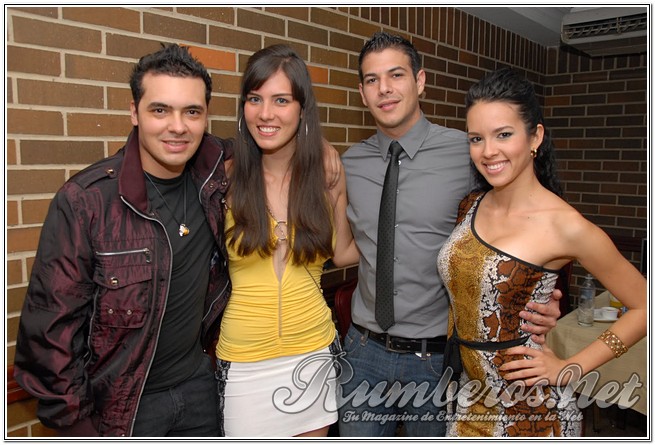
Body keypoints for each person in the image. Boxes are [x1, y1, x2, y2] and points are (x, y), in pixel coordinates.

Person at [338, 32, 563, 437]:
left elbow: (525, 220)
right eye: (372, 79)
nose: (384, 88)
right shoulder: (349, 164)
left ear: (420, 81)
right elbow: (356, 245)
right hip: (362, 353)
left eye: (396, 75)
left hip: (436, 361)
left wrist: (539, 294)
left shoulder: (471, 154)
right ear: (362, 92)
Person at [13, 44, 231, 437]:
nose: (178, 126)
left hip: (199, 388)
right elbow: (50, 334)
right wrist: (79, 428)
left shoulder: (212, 178)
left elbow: (272, 139)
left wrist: (320, 150)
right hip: (124, 410)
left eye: (192, 112)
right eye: (160, 110)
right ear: (134, 112)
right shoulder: (87, 201)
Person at [437, 67, 647, 437]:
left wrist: (570, 367)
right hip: (469, 398)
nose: (488, 151)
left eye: (504, 134)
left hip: (532, 412)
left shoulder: (566, 226)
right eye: (476, 138)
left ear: (535, 136)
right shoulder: (472, 204)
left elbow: (645, 306)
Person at [214, 44, 359, 437]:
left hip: (313, 355)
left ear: (301, 109)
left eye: (281, 100)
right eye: (255, 99)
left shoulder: (327, 176)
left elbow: (344, 251)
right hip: (244, 363)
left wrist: (402, 234)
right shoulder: (224, 178)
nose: (266, 113)